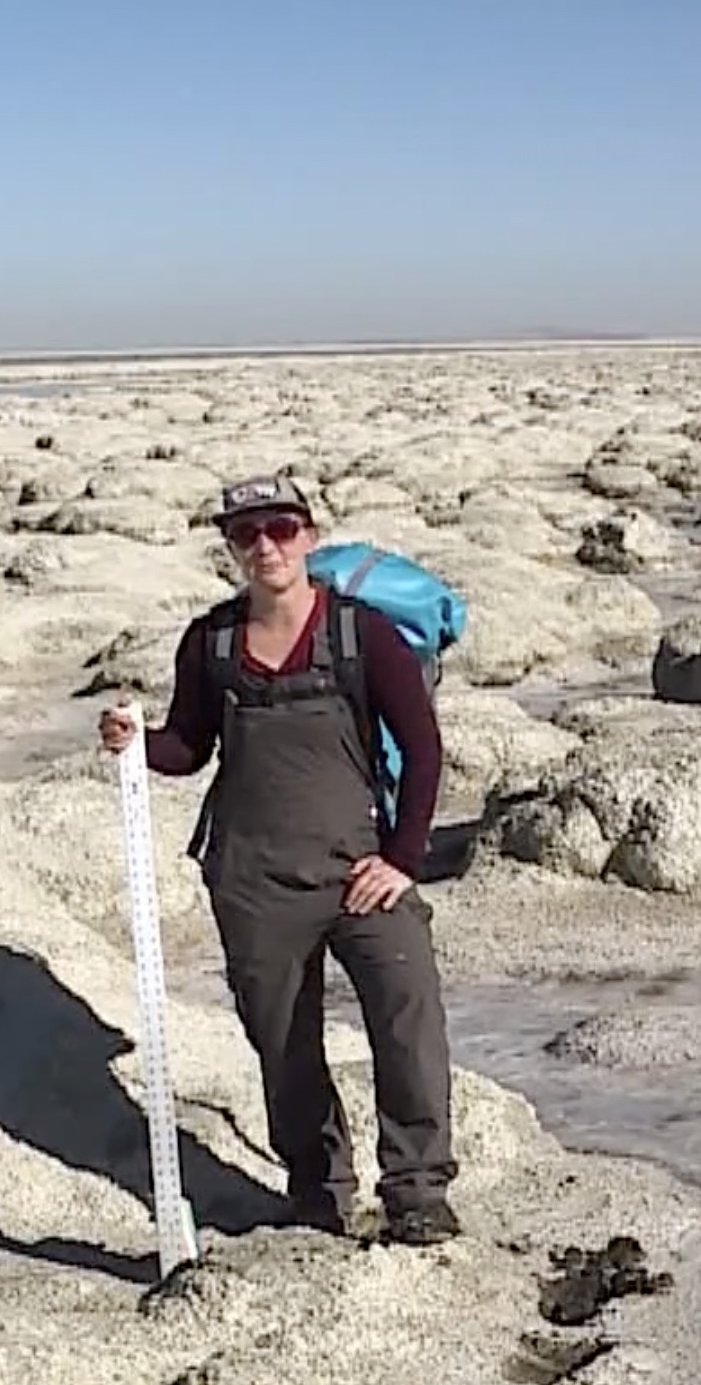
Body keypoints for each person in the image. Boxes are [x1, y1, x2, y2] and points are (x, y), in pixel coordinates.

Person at [99, 474, 460, 1247]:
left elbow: (424, 750)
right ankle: (317, 1191)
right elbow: (189, 746)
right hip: (252, 879)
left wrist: (402, 858)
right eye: (246, 533)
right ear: (229, 546)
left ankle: (418, 1190)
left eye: (281, 528)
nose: (266, 545)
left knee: (408, 1019)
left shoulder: (363, 636)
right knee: (283, 1044)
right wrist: (137, 742)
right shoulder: (213, 641)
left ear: (308, 534)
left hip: (359, 869)